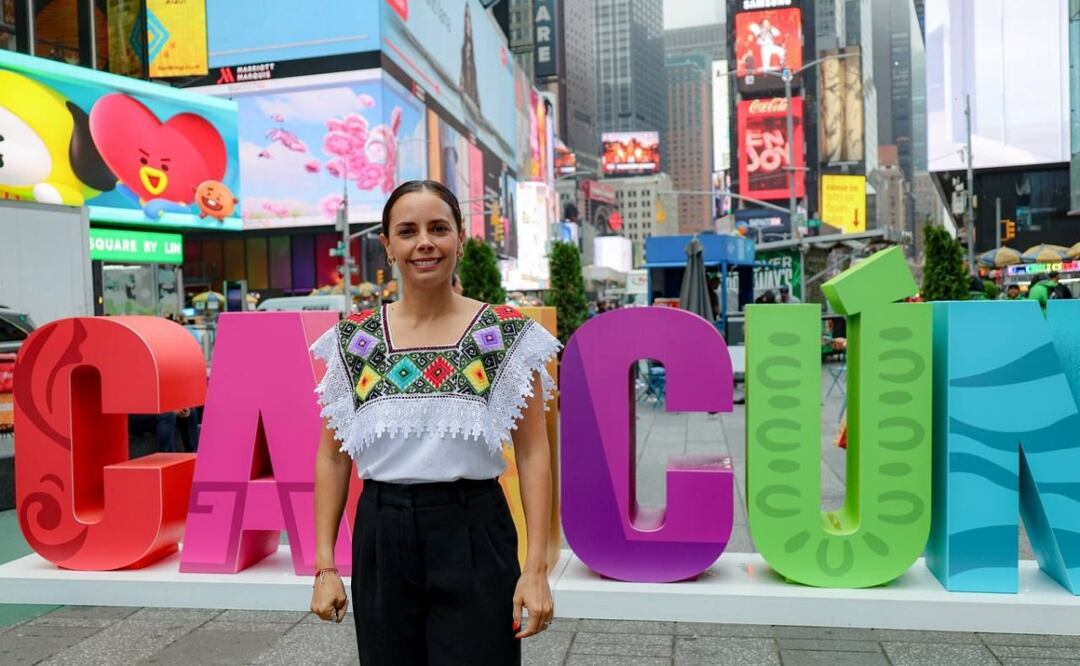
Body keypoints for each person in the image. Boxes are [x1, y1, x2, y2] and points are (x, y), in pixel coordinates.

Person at [309, 180, 559, 665]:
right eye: (408, 230)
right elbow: (332, 456)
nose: (424, 242)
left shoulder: (506, 336)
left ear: (460, 239)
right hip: (382, 532)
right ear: (388, 246)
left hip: (475, 530)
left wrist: (536, 568)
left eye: (439, 228)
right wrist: (325, 565)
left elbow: (533, 452)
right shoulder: (353, 340)